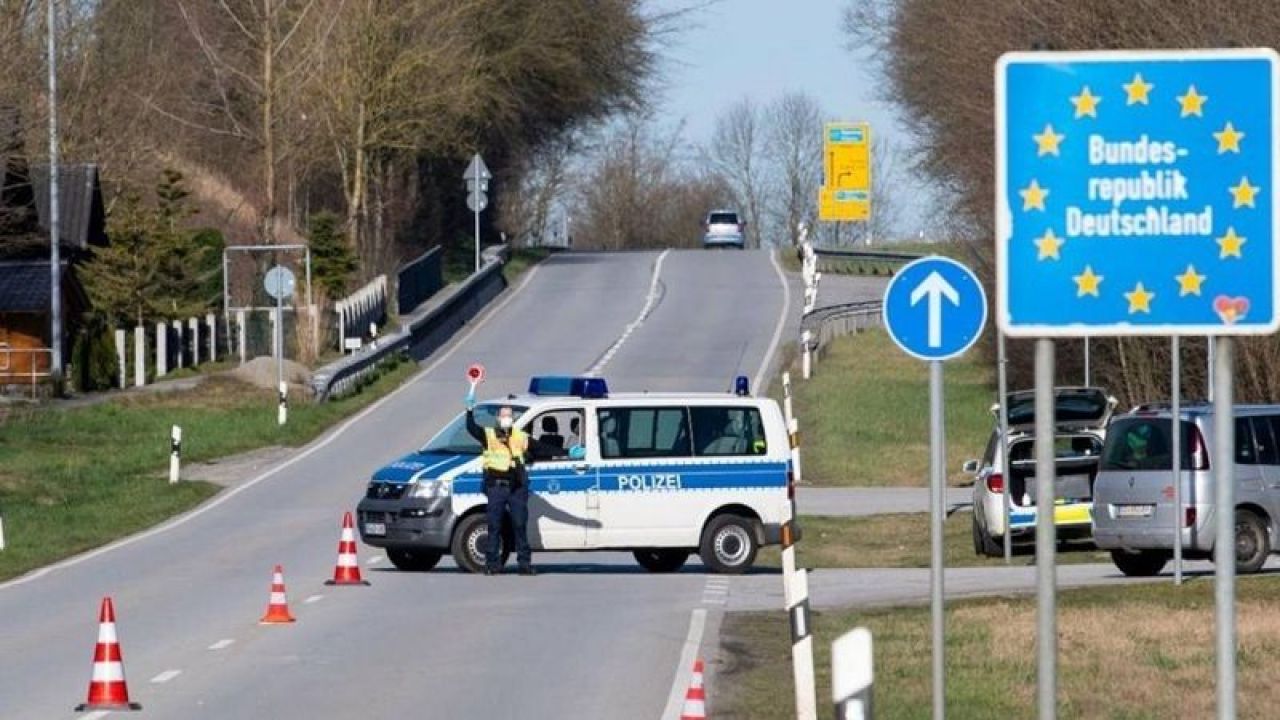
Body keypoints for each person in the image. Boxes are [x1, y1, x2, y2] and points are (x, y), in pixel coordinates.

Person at [466, 403, 537, 575]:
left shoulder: (520, 436)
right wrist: (469, 411)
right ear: (498, 418)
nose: (507, 418)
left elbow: (538, 448)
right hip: (496, 486)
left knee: (519, 524)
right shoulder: (488, 435)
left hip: (516, 488)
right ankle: (492, 565)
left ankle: (524, 564)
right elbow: (471, 428)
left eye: (509, 415)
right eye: (504, 415)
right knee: (494, 526)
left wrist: (567, 452)